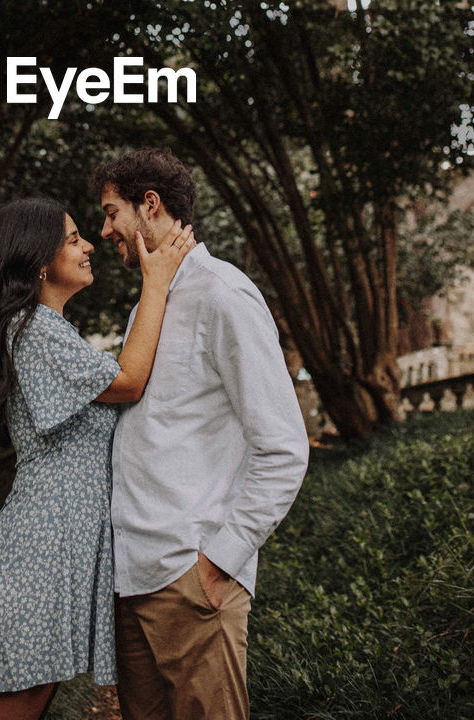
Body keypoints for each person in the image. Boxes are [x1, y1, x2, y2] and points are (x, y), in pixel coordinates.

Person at [91, 147, 310, 720]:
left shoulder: (224, 294)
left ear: (151, 205)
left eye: (112, 212)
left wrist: (220, 562)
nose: (105, 228)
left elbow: (283, 446)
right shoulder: (150, 302)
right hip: (132, 579)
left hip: (191, 579)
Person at [0, 196, 195, 720]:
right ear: (38, 260)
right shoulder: (35, 330)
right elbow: (129, 381)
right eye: (72, 239)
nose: (89, 244)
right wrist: (157, 281)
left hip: (44, 557)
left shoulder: (46, 330)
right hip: (33, 563)